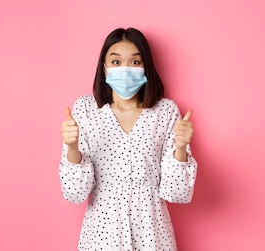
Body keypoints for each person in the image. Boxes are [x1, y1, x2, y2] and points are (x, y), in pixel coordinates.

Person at [59, 27, 197, 251]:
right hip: (102, 234)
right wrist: (72, 148)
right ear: (104, 68)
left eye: (134, 62)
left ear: (146, 68)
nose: (125, 69)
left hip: (152, 232)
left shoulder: (165, 112)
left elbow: (177, 193)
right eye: (116, 62)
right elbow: (74, 193)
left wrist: (180, 149)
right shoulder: (86, 110)